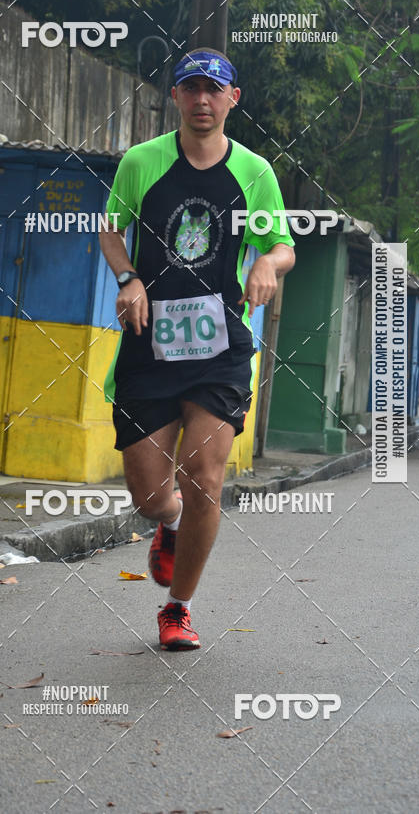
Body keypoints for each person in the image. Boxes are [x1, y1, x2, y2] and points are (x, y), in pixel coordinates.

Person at [98, 48, 295, 651]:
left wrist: (267, 262)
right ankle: (170, 520)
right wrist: (128, 278)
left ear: (233, 99)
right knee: (149, 495)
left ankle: (178, 608)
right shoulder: (142, 162)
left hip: (220, 347)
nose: (202, 100)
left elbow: (283, 246)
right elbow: (111, 228)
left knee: (205, 476)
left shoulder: (255, 172)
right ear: (177, 98)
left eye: (214, 89)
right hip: (149, 346)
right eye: (191, 89)